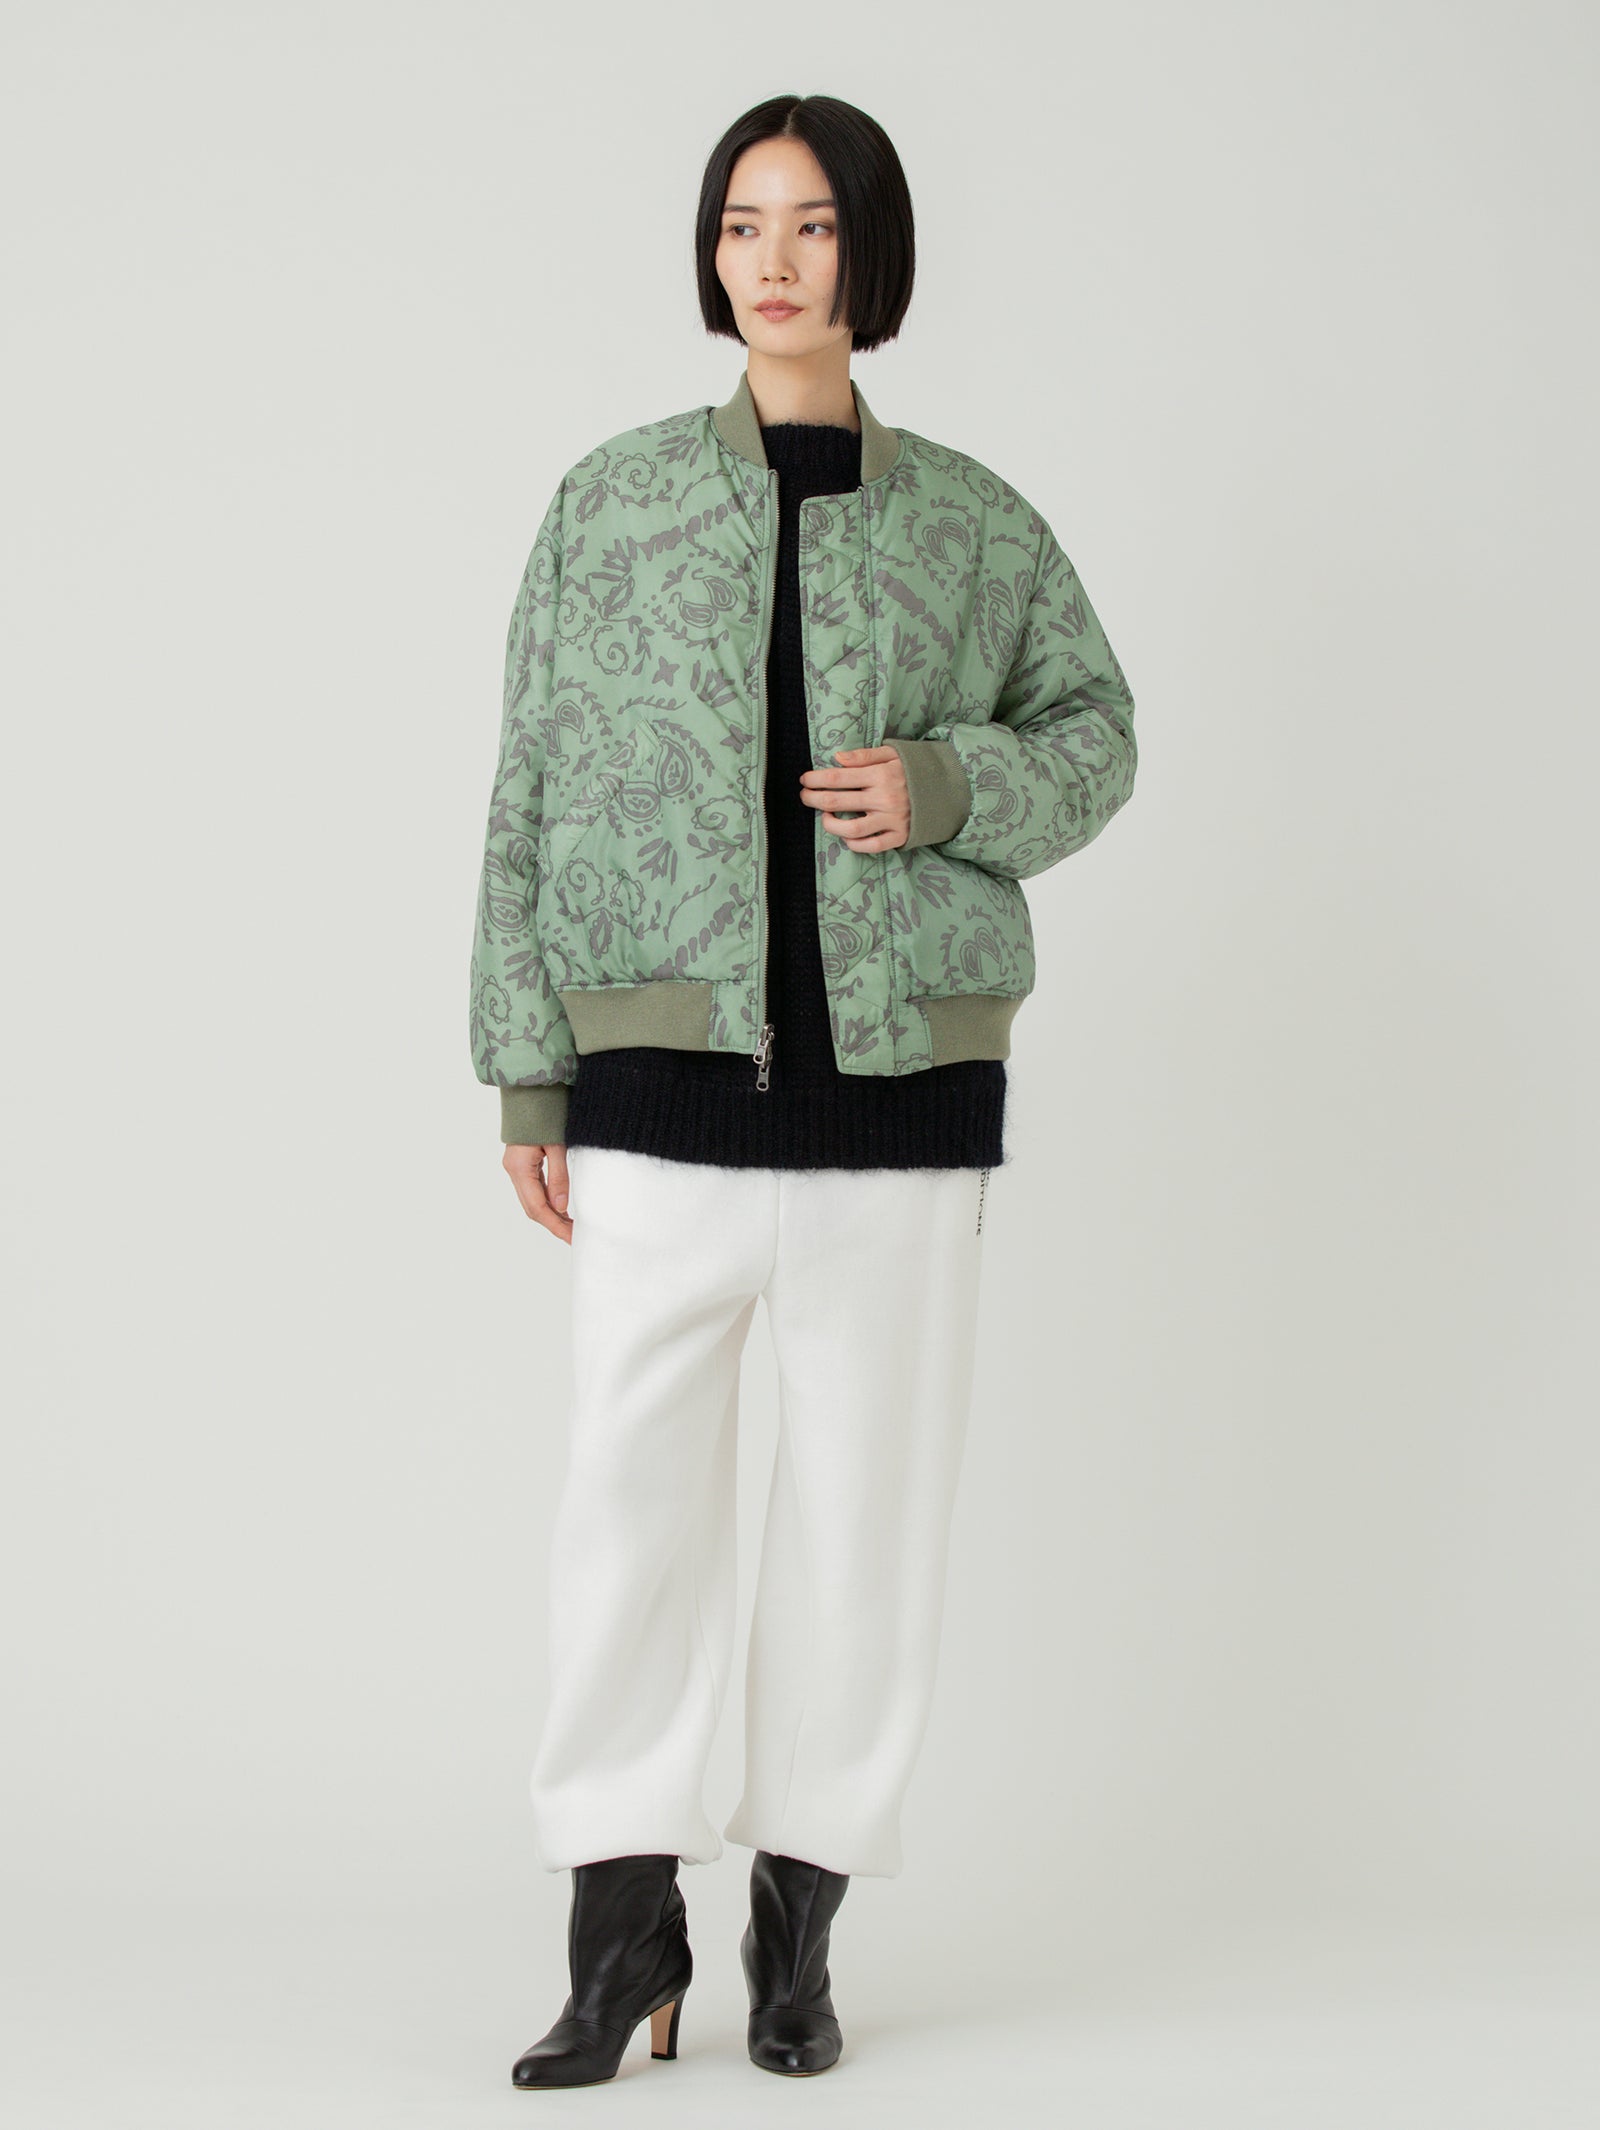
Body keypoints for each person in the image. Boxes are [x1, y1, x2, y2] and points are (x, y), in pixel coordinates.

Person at [468, 91, 1138, 2088]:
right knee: (626, 1516)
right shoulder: (606, 505)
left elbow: (1096, 735)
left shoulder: (976, 525)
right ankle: (618, 1939)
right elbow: (528, 789)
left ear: (873, 254)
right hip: (656, 1091)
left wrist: (948, 785)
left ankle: (797, 1927)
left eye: (816, 224)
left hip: (896, 1105)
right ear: (709, 254)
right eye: (742, 223)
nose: (773, 260)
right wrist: (525, 1069)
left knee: (861, 1521)